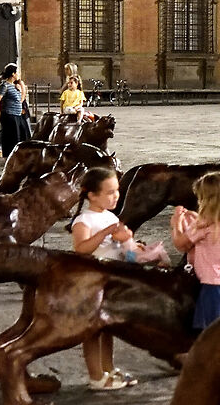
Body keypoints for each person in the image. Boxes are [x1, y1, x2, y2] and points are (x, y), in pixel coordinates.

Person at [69, 166, 165, 392]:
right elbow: (81, 249)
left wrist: (132, 245)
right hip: (94, 281)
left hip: (112, 279)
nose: (116, 196)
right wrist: (105, 233)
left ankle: (108, 369)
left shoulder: (110, 216)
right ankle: (96, 376)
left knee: (108, 328)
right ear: (91, 195)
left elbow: (117, 246)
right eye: (109, 192)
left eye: (117, 191)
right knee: (93, 331)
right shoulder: (84, 220)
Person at [170, 171, 220, 332]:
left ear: (206, 200)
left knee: (210, 333)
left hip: (213, 287)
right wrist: (195, 219)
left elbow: (180, 244)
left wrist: (176, 223)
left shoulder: (205, 224)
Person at [0, 63, 30, 158]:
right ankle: (9, 158)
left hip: (17, 115)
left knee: (21, 137)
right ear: (13, 74)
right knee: (11, 139)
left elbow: (21, 100)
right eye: (17, 72)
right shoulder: (5, 86)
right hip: (9, 115)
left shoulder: (15, 86)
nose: (18, 75)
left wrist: (21, 85)